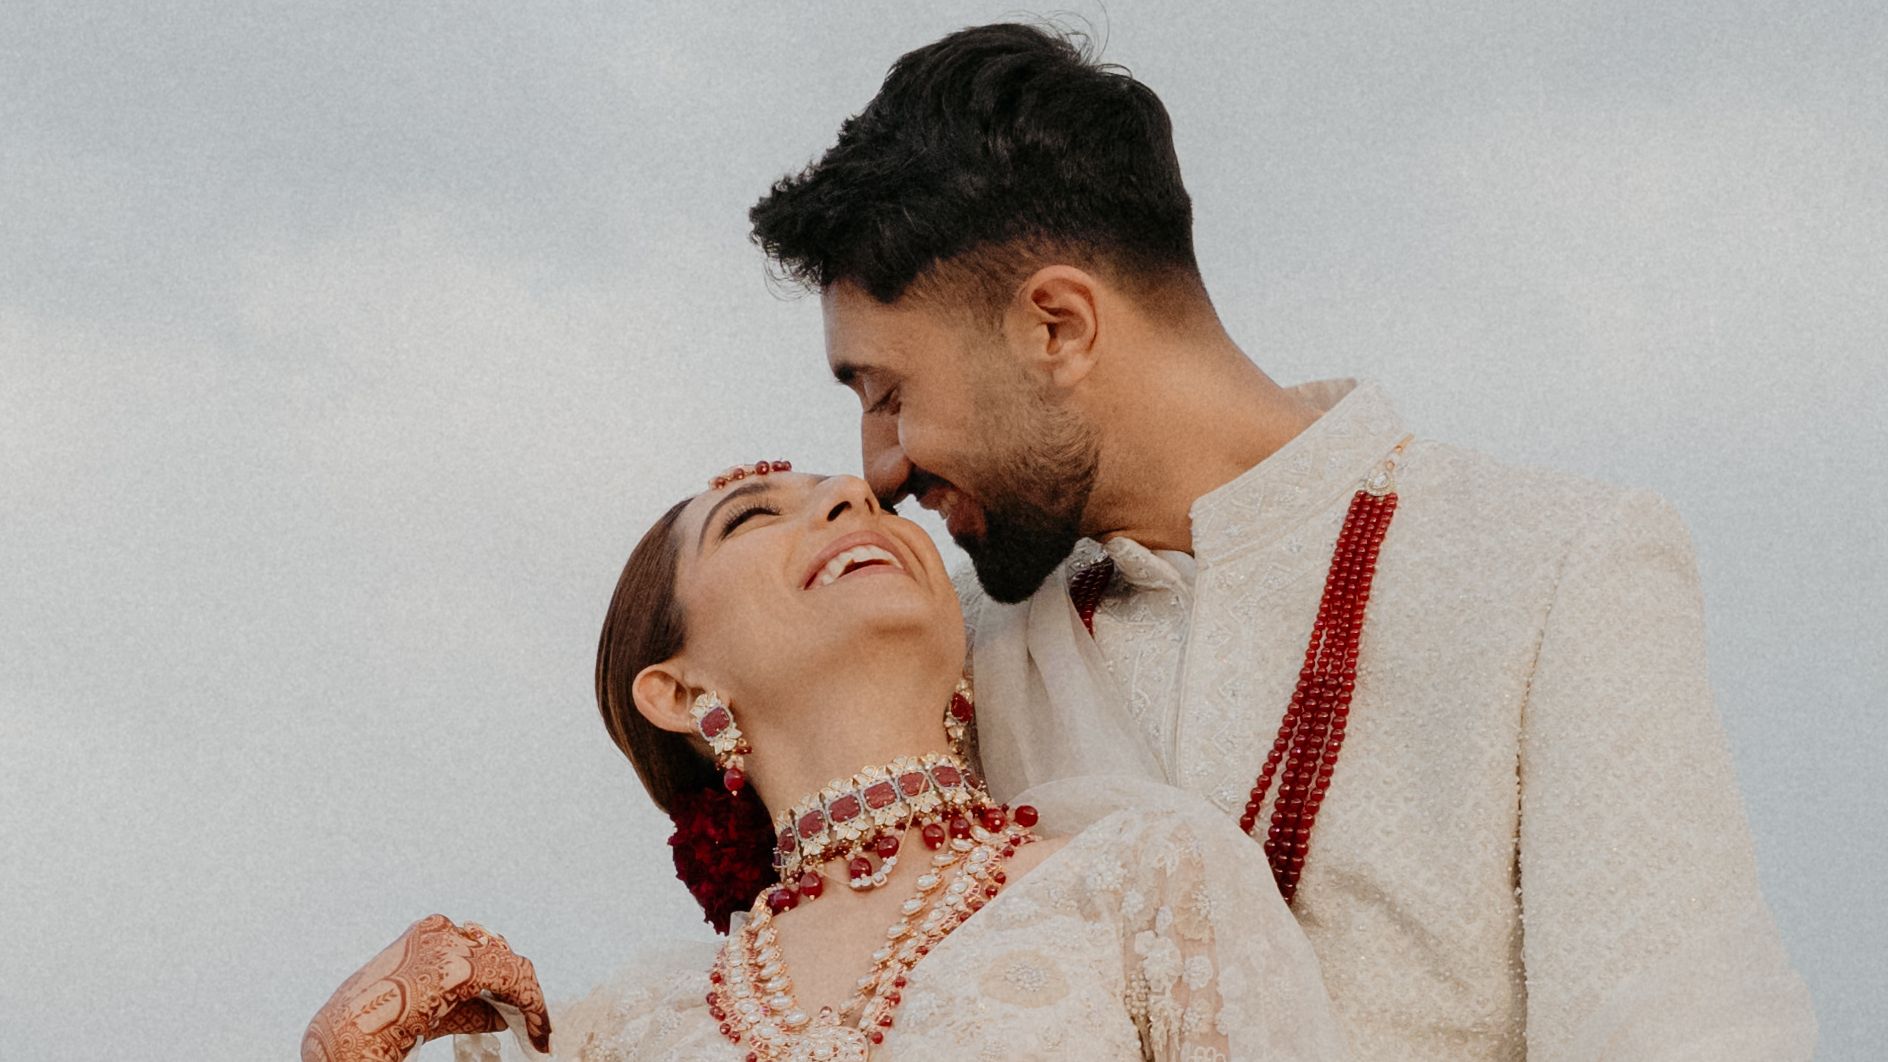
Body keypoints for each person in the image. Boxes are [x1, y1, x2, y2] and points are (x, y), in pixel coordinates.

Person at [744, 21, 1818, 1060]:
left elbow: (1680, 1032)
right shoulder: (947, 654)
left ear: (1057, 326)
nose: (879, 467)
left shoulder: (1548, 565)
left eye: (889, 393)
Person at [303, 464, 1351, 1060]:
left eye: (865, 503)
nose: (850, 504)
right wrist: (350, 1045)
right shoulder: (624, 1029)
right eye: (756, 516)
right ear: (679, 693)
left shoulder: (1142, 878)